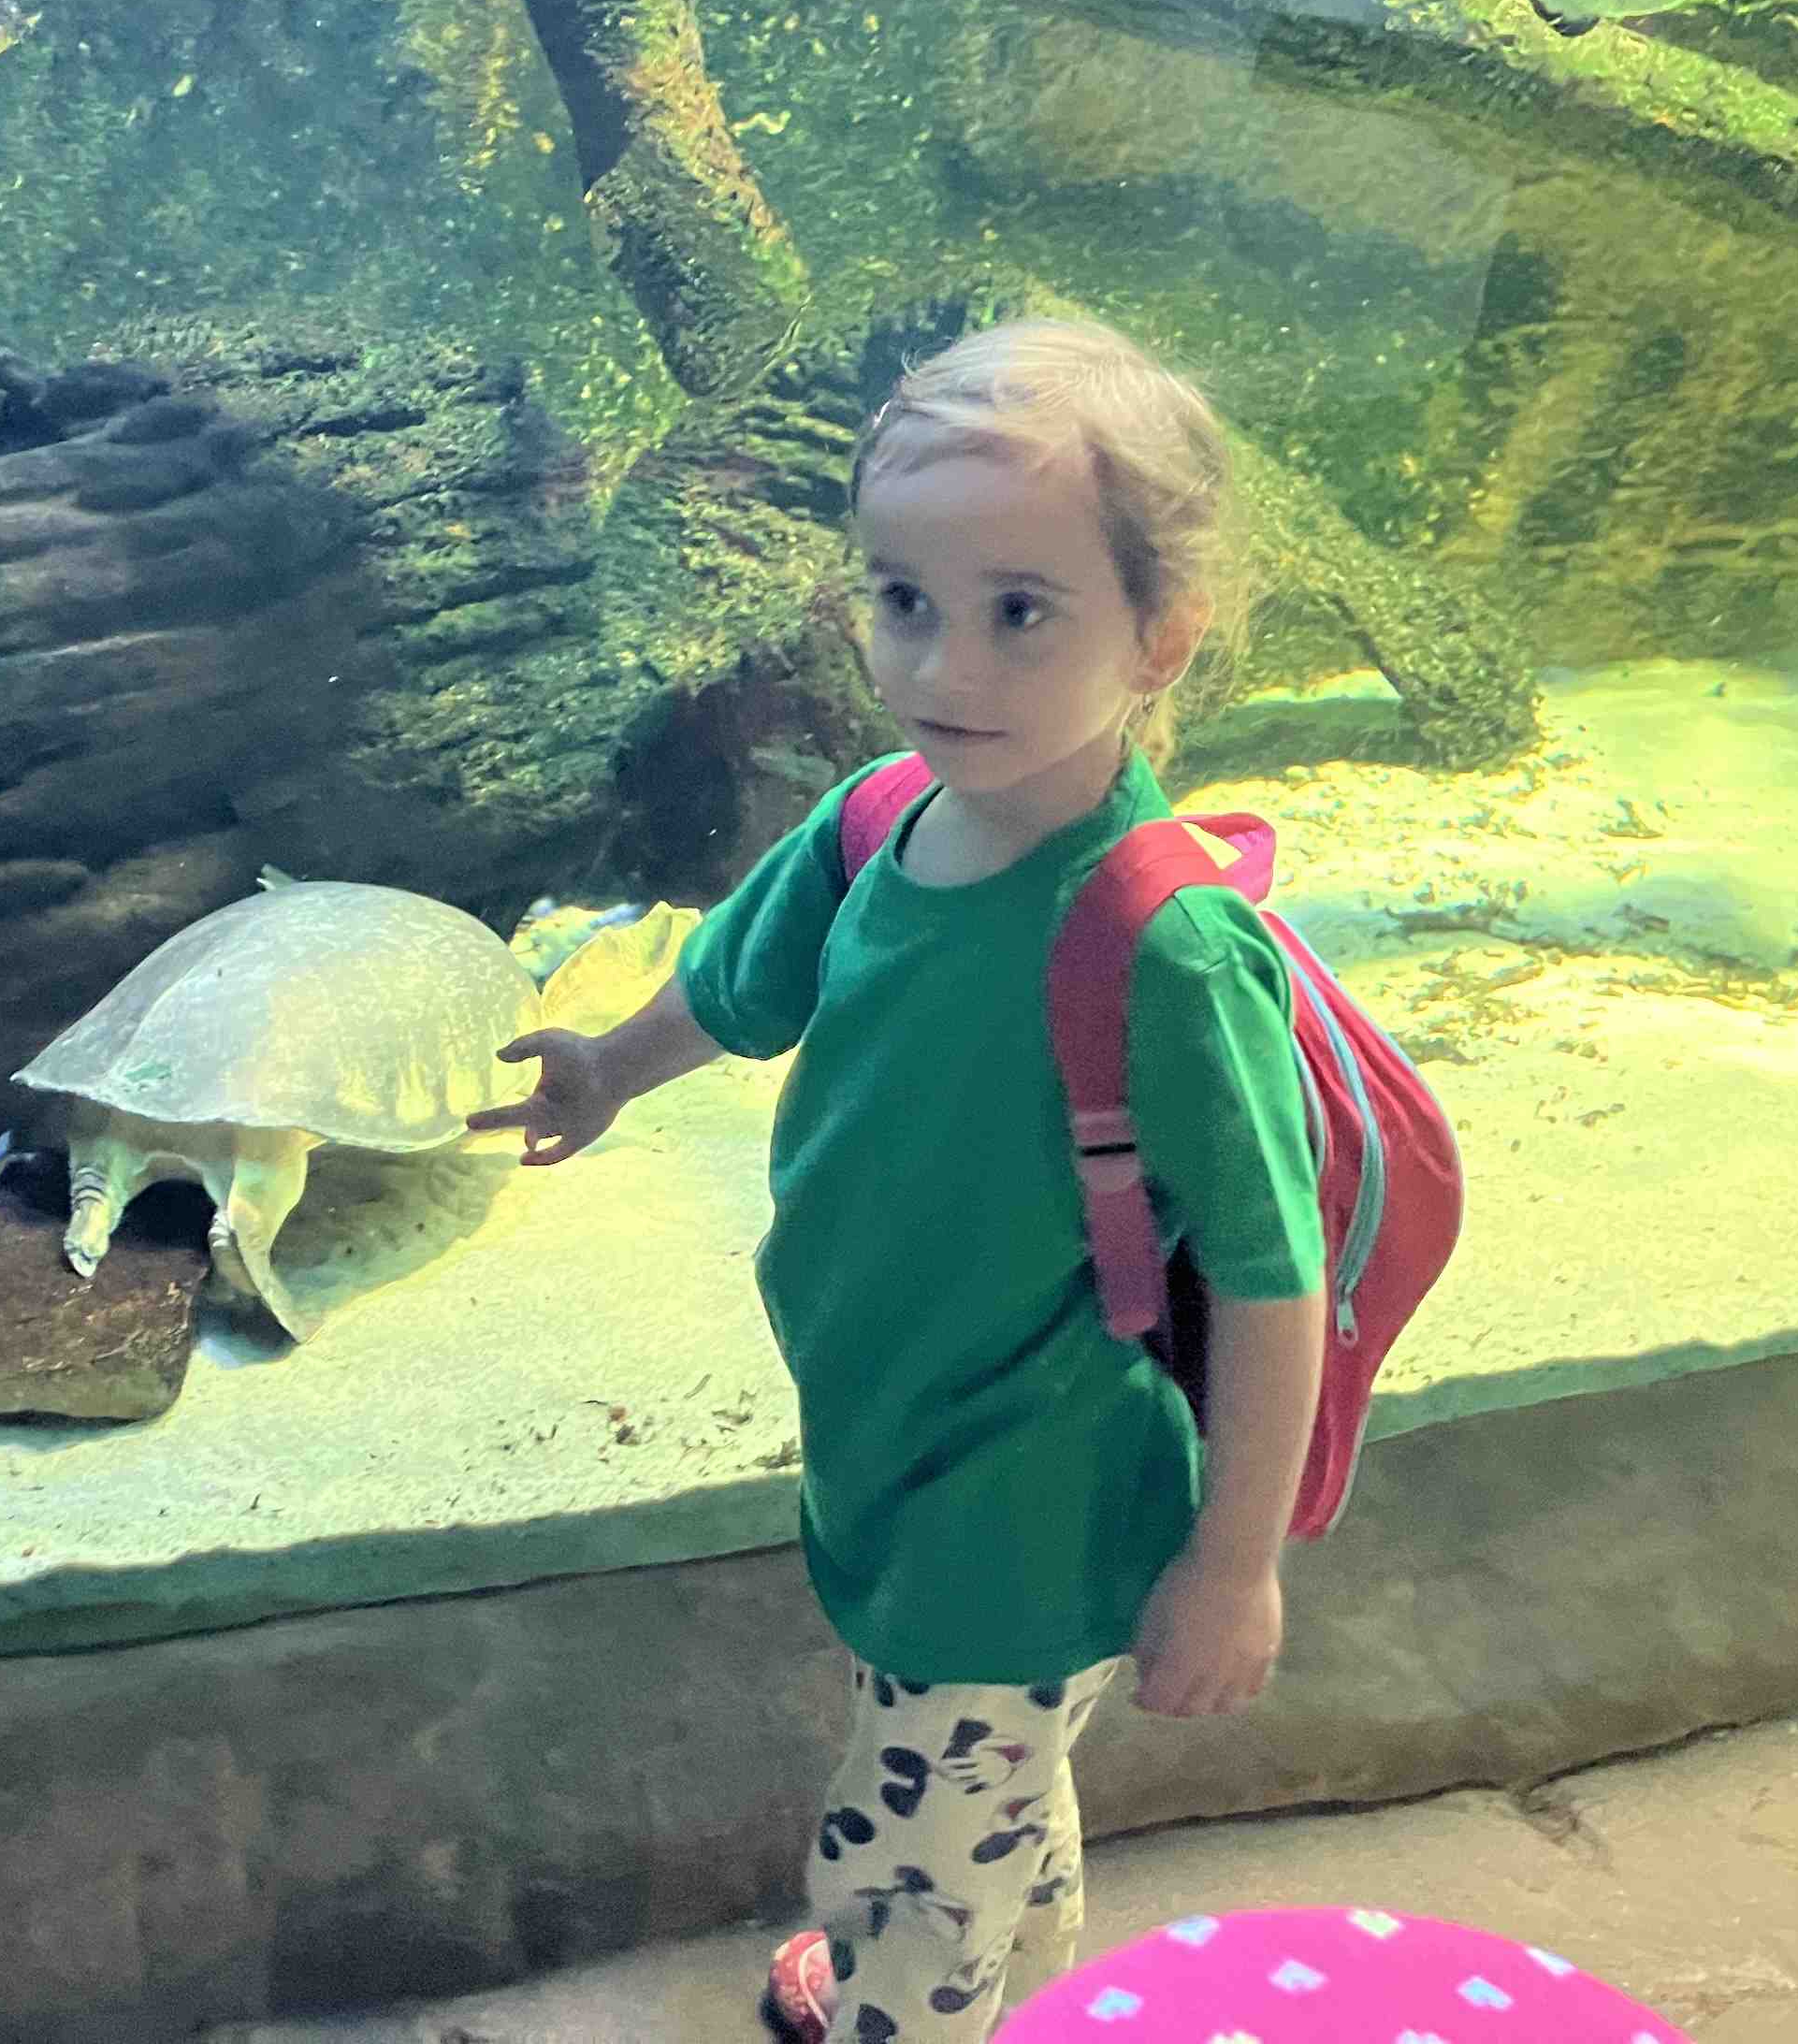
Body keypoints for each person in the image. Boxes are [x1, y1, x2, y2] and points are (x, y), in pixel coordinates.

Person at [471, 314, 1330, 2044]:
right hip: (897, 1438)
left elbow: (1270, 1270)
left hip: (1027, 1496)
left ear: (1162, 636)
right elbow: (739, 985)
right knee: (987, 1800)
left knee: (898, 1864)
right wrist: (607, 1070)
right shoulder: (878, 819)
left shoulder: (1163, 947)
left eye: (1021, 611)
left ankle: (901, 2008)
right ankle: (1018, 1992)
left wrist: (1234, 1565)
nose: (946, 662)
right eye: (903, 598)